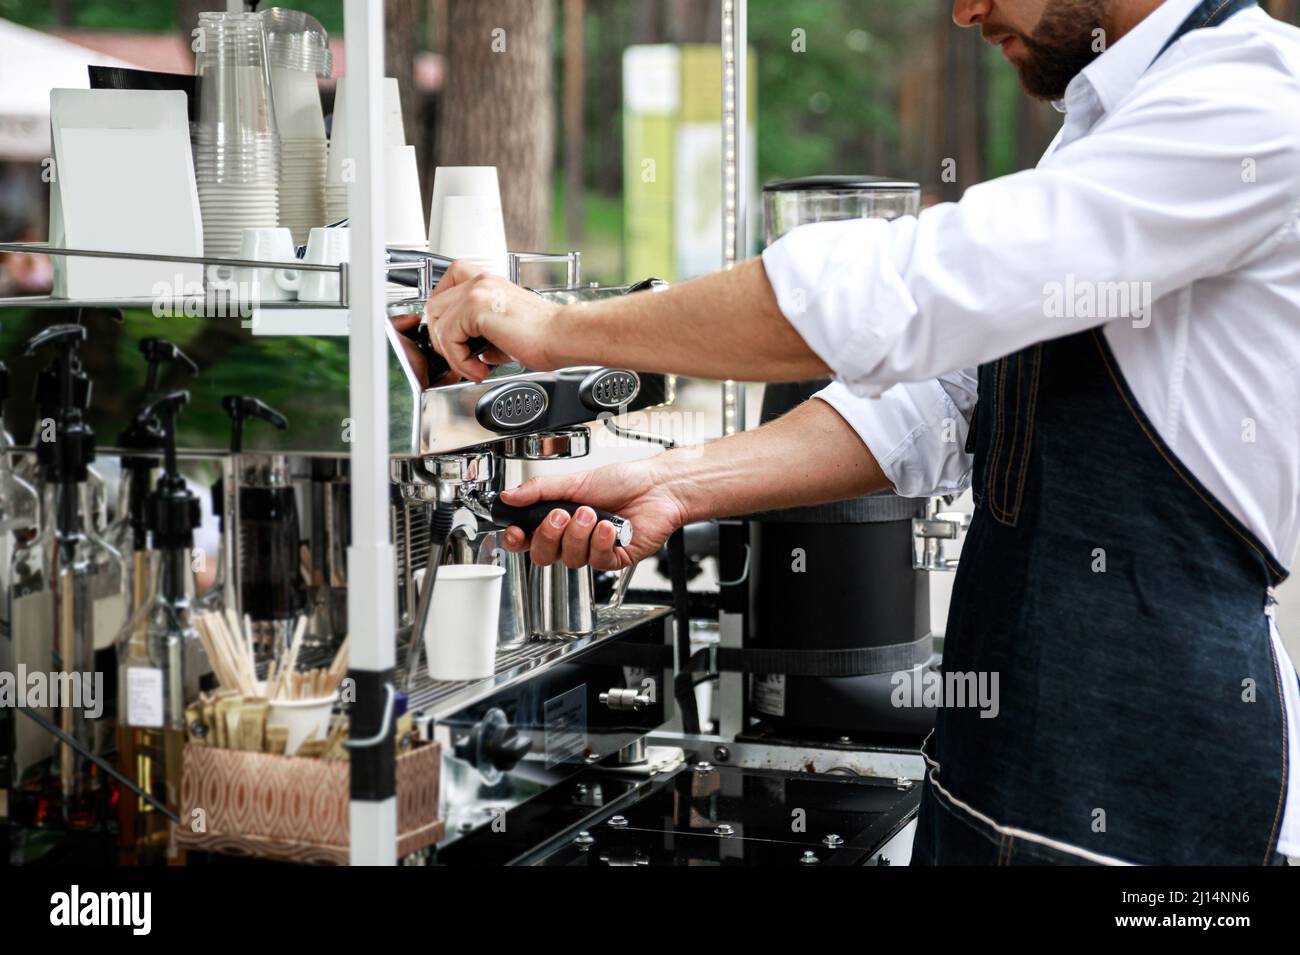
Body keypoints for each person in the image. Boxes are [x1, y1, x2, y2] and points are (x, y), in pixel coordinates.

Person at [423, 0, 1300, 865]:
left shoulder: (1250, 100)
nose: (965, 12)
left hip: (1165, 788)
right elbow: (939, 401)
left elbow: (913, 290)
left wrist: (555, 328)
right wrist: (679, 482)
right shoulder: (1104, 125)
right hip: (994, 784)